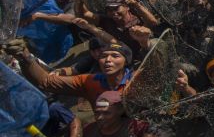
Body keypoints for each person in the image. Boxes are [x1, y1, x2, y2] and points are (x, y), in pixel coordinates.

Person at [6, 40, 135, 105]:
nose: (108, 60)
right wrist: (25, 57)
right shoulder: (89, 81)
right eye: (104, 56)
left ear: (126, 62)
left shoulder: (138, 81)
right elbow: (45, 82)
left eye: (115, 56)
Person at [64, 90, 144, 137]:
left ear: (120, 111)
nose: (100, 117)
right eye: (97, 113)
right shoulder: (90, 130)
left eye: (106, 113)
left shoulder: (136, 128)